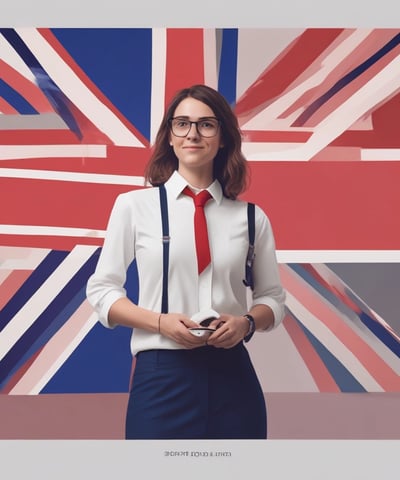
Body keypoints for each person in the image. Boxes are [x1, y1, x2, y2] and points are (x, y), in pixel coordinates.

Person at [86, 84, 286, 439]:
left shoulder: (252, 218)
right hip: (161, 374)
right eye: (182, 124)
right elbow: (102, 290)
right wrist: (160, 322)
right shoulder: (134, 207)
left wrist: (246, 323)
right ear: (170, 137)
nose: (193, 133)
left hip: (233, 377)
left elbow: (273, 298)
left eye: (206, 124)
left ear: (222, 137)